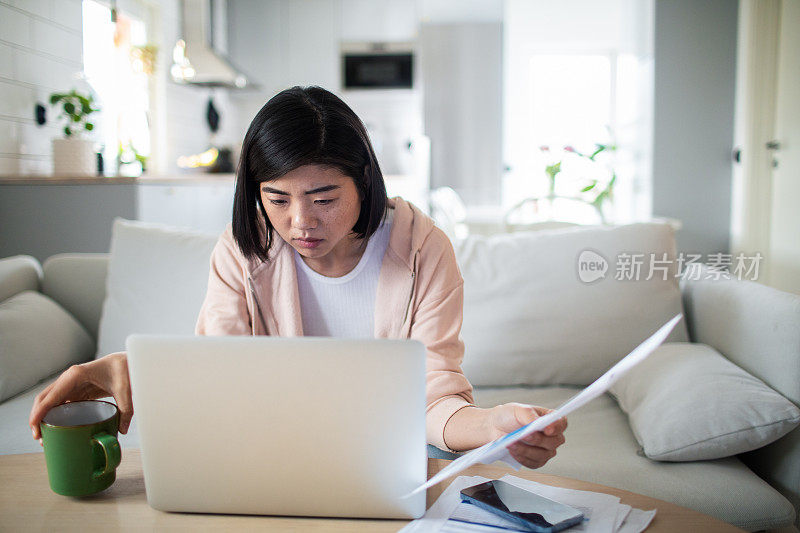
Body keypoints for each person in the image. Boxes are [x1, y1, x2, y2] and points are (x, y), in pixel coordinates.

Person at [29, 86, 566, 468]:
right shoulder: (245, 248)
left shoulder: (423, 249)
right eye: (277, 199)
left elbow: (432, 397)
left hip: (392, 449)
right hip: (277, 447)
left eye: (324, 198)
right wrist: (130, 368)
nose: (299, 223)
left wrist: (494, 428)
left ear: (363, 182)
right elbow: (220, 370)